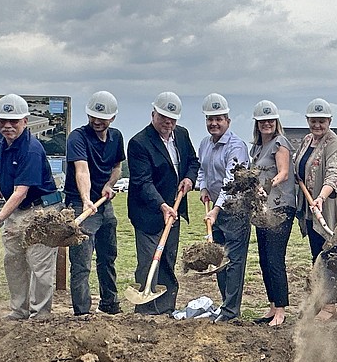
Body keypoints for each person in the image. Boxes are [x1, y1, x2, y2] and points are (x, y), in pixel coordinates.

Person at [0, 94, 64, 321]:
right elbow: (3, 167)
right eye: (3, 121)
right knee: (13, 260)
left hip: (42, 211)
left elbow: (21, 192)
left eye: (14, 121)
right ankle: (19, 311)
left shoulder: (31, 150)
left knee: (39, 263)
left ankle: (40, 315)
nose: (7, 126)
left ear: (25, 121)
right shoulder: (1, 140)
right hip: (17, 209)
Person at [126, 92, 199, 315]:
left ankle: (166, 309)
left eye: (172, 119)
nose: (168, 123)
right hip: (148, 214)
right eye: (163, 117)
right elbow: (142, 182)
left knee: (167, 259)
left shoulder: (182, 135)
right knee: (149, 261)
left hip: (174, 210)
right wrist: (161, 205)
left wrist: (189, 179)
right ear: (153, 114)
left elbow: (193, 162)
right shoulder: (139, 143)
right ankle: (146, 311)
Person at [64, 91, 125, 316]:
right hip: (80, 204)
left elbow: (117, 167)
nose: (97, 122)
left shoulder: (116, 137)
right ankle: (82, 313)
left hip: (104, 204)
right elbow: (82, 169)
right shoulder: (78, 137)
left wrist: (110, 184)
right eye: (93, 117)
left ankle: (110, 304)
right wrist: (86, 199)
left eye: (102, 118)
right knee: (82, 263)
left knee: (108, 256)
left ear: (113, 118)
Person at [292, 98, 337, 321]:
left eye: (322, 121)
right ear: (308, 121)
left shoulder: (333, 142)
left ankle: (330, 306)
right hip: (310, 207)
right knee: (316, 255)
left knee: (329, 255)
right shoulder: (307, 140)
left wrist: (321, 197)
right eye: (314, 121)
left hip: (328, 208)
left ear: (329, 121)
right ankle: (319, 300)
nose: (318, 125)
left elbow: (333, 174)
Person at [196, 93, 251, 323]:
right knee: (219, 259)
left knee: (234, 261)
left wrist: (216, 210)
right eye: (210, 119)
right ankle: (224, 305)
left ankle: (231, 311)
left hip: (235, 211)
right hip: (215, 209)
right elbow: (203, 170)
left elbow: (232, 182)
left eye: (218, 119)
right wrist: (203, 188)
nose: (213, 123)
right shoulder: (205, 144)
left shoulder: (236, 147)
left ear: (227, 120)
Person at [249, 100, 296, 327]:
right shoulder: (257, 148)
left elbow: (284, 173)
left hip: (280, 207)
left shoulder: (280, 143)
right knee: (264, 259)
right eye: (262, 121)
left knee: (276, 258)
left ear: (276, 122)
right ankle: (271, 305)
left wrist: (265, 186)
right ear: (257, 124)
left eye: (270, 120)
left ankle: (281, 309)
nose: (266, 124)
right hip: (262, 208)